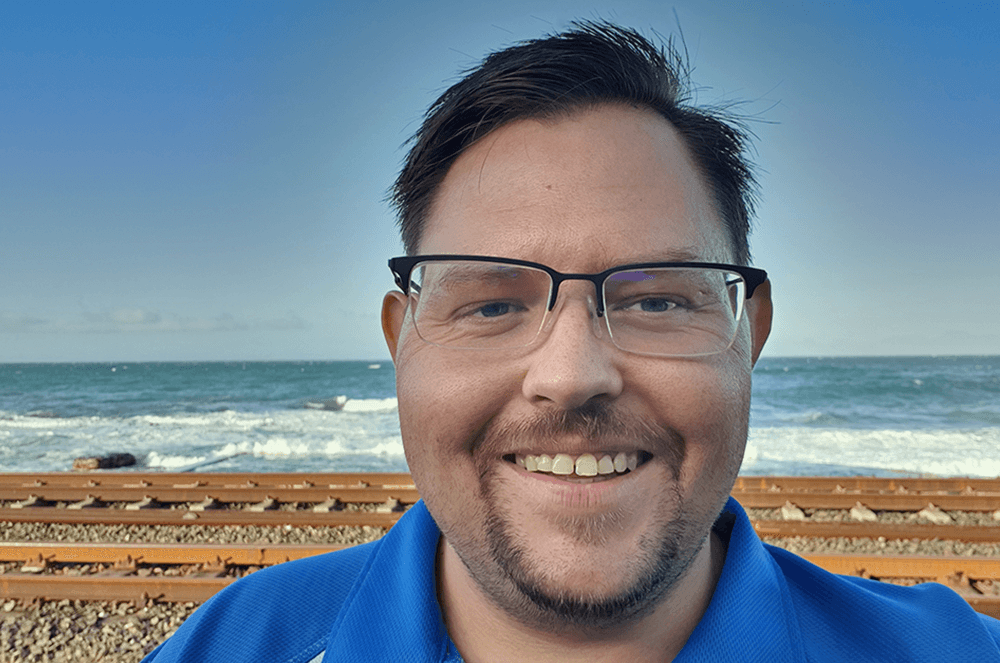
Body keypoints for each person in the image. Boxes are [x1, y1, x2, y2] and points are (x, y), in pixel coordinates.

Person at [143, 21, 1000, 662]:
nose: (571, 373)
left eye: (659, 299)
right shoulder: (230, 644)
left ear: (749, 336)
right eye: (490, 305)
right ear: (404, 344)